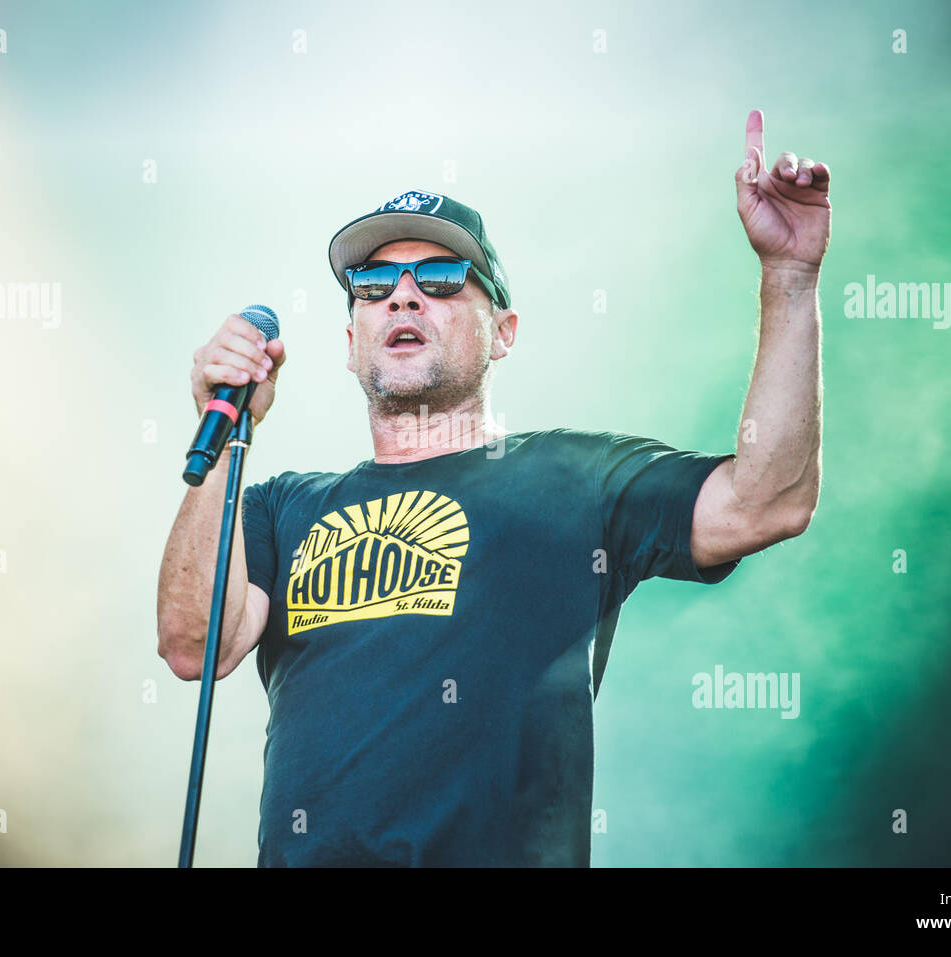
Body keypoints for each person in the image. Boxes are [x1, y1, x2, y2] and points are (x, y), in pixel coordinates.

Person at [156, 109, 830, 866]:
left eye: (440, 278)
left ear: (503, 331)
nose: (402, 296)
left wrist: (790, 278)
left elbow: (767, 499)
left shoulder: (574, 479)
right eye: (373, 283)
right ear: (350, 344)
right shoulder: (280, 506)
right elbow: (192, 645)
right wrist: (221, 439)